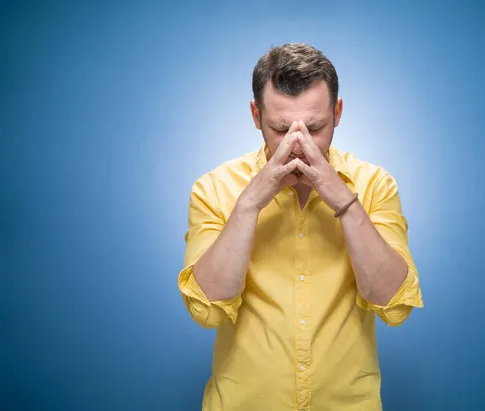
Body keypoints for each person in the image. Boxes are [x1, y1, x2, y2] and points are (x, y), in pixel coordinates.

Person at [177, 42, 424, 411]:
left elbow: (392, 304)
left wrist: (342, 199)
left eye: (315, 127)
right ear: (255, 115)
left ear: (337, 112)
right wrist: (249, 204)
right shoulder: (213, 189)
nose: (299, 144)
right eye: (280, 128)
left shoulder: (375, 185)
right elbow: (207, 309)